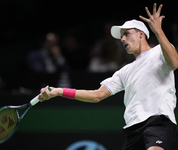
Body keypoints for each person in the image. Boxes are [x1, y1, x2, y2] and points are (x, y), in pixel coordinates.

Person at [38, 4, 178, 150]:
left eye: (126, 34)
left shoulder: (160, 51)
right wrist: (59, 91)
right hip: (134, 130)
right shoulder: (124, 71)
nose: (122, 39)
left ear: (141, 34)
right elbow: (96, 95)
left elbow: (174, 63)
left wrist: (158, 31)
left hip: (158, 123)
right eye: (121, 36)